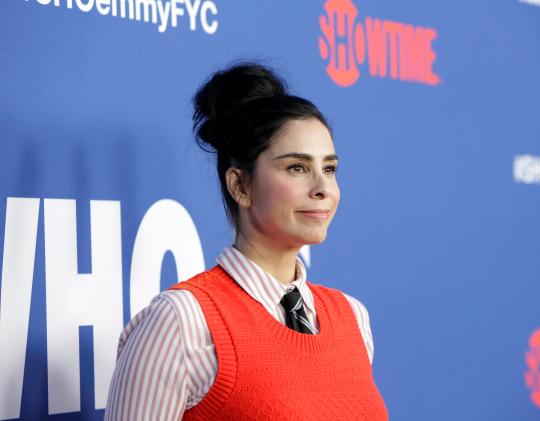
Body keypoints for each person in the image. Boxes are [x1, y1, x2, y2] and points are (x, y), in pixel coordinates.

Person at [104, 62, 388, 420]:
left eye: (329, 168)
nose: (323, 189)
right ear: (240, 185)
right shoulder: (181, 322)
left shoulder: (353, 317)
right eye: (297, 168)